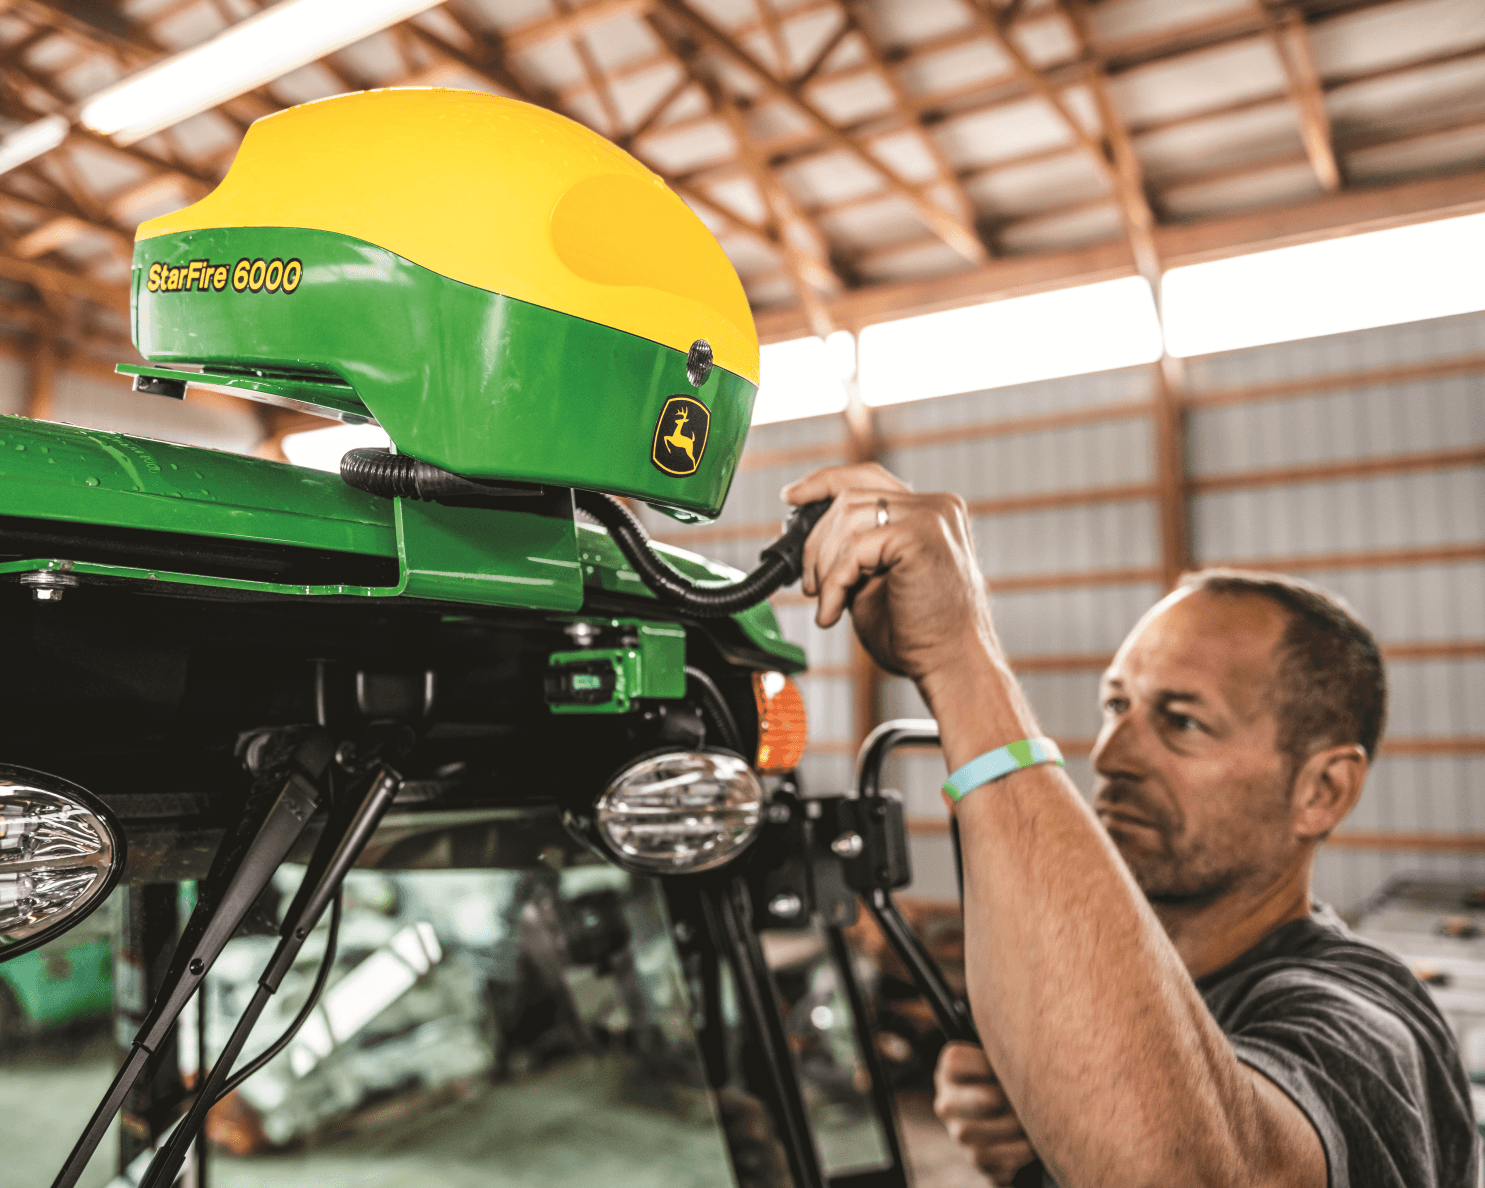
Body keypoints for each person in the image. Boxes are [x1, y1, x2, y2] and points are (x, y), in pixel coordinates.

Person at [783, 462, 1478, 1188]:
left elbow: (1196, 1172)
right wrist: (1048, 1139)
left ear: (1321, 791)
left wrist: (960, 661)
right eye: (1116, 707)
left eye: (1181, 722)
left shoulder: (1365, 1023)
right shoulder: (1117, 995)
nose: (1112, 756)